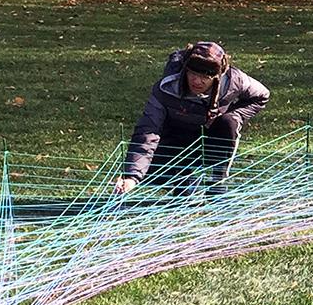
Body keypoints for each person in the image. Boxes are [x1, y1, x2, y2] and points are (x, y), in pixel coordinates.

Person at [115, 42, 269, 195]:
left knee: (229, 122)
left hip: (209, 137)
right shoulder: (166, 88)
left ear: (217, 76)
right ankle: (183, 179)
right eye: (193, 74)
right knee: (148, 173)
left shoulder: (233, 81)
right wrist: (132, 177)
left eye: (205, 77)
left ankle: (217, 181)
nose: (197, 81)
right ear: (185, 70)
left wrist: (235, 114)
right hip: (175, 136)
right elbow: (148, 130)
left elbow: (262, 95)